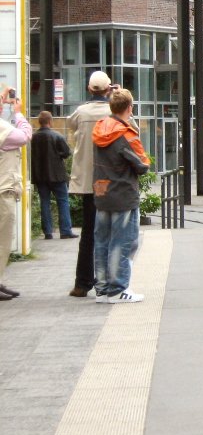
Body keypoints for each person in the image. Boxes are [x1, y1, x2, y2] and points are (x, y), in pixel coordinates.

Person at [92, 88, 150, 304]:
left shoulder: (100, 128)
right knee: (123, 241)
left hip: (101, 189)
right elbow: (142, 164)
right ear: (129, 108)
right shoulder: (125, 134)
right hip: (123, 192)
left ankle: (102, 288)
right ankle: (118, 289)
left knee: (102, 240)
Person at [67, 71, 114, 298]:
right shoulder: (114, 111)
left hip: (88, 182)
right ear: (108, 89)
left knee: (88, 232)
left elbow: (70, 127)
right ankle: (107, 282)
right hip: (110, 181)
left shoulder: (81, 112)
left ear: (89, 89)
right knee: (112, 232)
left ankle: (82, 282)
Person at [0, 87, 32, 301]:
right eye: (1, 99)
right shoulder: (3, 129)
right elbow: (24, 135)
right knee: (2, 239)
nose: (3, 102)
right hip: (3, 192)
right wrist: (19, 113)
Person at [31, 111, 77, 240]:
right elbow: (67, 152)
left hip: (40, 175)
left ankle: (48, 232)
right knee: (63, 201)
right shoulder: (56, 136)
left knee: (44, 202)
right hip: (57, 175)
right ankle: (65, 231)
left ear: (39, 122)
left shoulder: (33, 137)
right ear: (50, 121)